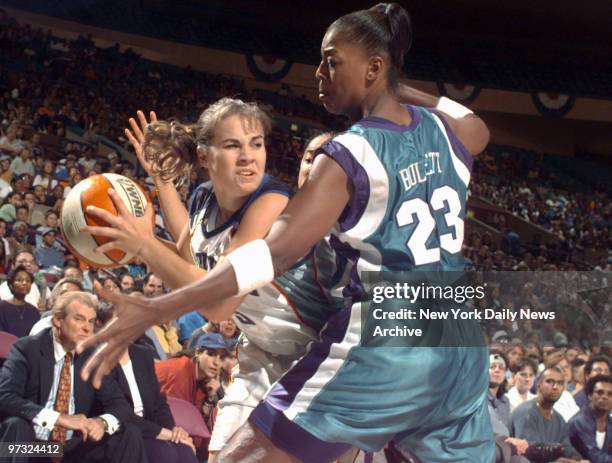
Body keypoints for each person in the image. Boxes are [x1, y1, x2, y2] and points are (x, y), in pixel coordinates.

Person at [79, 3, 494, 462]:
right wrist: (393, 84)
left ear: (373, 68)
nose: (318, 72)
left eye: (331, 61)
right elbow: (477, 125)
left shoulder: (349, 152)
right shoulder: (448, 133)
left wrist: (155, 306)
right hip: (460, 341)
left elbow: (269, 256)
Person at [82, 99, 343, 461]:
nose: (249, 156)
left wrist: (145, 245)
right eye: (234, 145)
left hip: (314, 358)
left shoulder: (272, 202)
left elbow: (220, 301)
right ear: (205, 157)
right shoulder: (204, 197)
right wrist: (160, 183)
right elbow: (191, 264)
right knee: (221, 455)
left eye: (257, 144)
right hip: (261, 353)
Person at [0, 291, 147, 463]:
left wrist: (101, 423)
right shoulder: (27, 348)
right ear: (57, 320)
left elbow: (120, 405)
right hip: (37, 447)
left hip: (72, 447)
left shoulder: (93, 357)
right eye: (79, 319)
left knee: (129, 434)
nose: (87, 328)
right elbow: (5, 396)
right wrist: (59, 418)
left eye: (91, 321)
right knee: (17, 426)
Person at [509, 368, 583, 462]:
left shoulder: (558, 419)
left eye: (560, 383)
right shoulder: (526, 412)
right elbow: (530, 453)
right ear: (538, 385)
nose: (555, 387)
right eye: (550, 382)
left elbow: (566, 448)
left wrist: (577, 459)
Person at [569, 374, 612, 461]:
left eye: (610, 394)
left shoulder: (609, 422)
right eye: (600, 392)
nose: (605, 397)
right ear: (589, 396)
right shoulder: (580, 421)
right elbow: (593, 455)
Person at [0, 265, 40, 337]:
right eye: (19, 280)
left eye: (28, 281)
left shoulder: (34, 311)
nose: (25, 283)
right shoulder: (2, 307)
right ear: (11, 285)